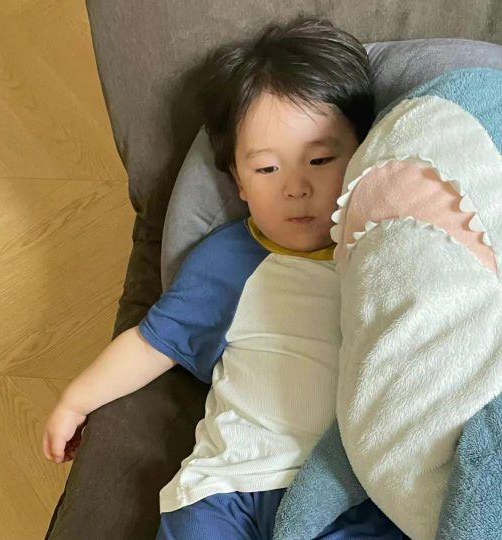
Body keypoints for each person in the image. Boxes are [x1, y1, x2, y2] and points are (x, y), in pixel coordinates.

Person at [43, 15, 405, 539]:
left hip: (349, 495)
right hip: (228, 486)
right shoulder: (229, 259)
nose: (296, 187)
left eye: (321, 159)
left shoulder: (387, 246)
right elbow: (151, 344)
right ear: (238, 182)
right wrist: (76, 400)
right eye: (267, 169)